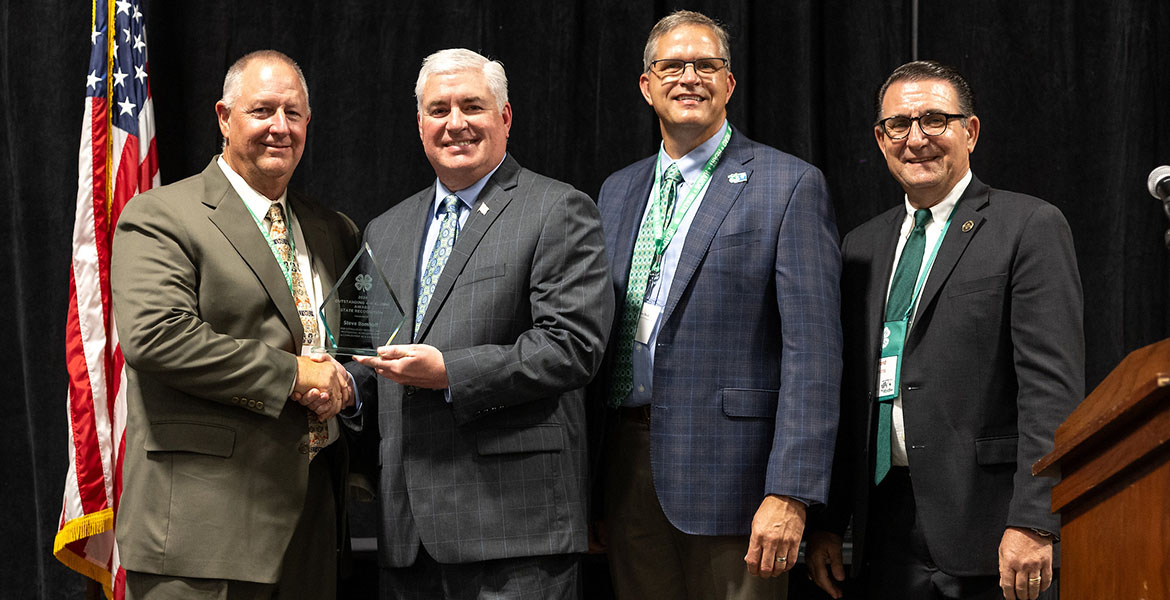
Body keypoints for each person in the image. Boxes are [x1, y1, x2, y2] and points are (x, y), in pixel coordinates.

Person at [805, 60, 1084, 600]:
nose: (916, 139)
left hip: (990, 525)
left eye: (934, 119)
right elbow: (847, 394)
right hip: (882, 526)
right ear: (880, 139)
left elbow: (1052, 390)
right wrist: (829, 521)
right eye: (898, 126)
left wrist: (1034, 519)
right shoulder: (860, 245)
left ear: (970, 131)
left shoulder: (1028, 226)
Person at [587, 10, 842, 599]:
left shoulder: (788, 184)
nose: (690, 77)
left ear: (729, 84)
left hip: (740, 483)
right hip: (628, 467)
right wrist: (597, 484)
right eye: (672, 65)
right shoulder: (617, 190)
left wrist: (791, 491)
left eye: (707, 65)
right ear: (647, 85)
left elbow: (815, 354)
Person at [347, 48, 613, 599]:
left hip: (513, 529)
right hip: (407, 531)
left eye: (473, 106)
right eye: (439, 109)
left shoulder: (558, 208)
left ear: (505, 117)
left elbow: (572, 347)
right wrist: (343, 385)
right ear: (419, 123)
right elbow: (371, 354)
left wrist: (451, 372)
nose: (456, 124)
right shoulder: (385, 229)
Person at [111, 50, 360, 598]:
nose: (280, 127)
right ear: (224, 117)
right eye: (262, 110)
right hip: (203, 535)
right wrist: (294, 376)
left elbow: (352, 346)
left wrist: (341, 386)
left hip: (311, 529)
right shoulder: (161, 216)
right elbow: (158, 337)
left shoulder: (331, 228)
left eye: (293, 114)